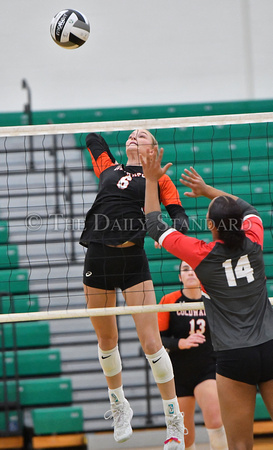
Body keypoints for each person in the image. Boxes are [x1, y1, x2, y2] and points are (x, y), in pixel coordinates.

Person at [141, 149, 273, 450]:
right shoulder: (254, 239)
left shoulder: (201, 254)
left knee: (239, 445)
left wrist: (151, 180)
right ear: (240, 223)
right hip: (270, 344)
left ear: (212, 227)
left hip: (234, 356)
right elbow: (247, 207)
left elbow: (153, 225)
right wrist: (209, 192)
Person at [80, 130, 189, 449]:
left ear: (153, 149)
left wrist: (166, 234)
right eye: (131, 134)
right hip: (97, 255)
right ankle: (119, 405)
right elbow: (92, 137)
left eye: (143, 136)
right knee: (106, 339)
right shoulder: (108, 168)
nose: (134, 135)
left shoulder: (158, 179)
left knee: (152, 342)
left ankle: (173, 420)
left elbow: (179, 216)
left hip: (132, 259)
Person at [158, 260, 228, 450]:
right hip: (178, 372)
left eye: (194, 269)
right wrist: (180, 343)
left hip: (207, 367)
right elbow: (156, 340)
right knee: (185, 435)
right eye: (185, 270)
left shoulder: (213, 300)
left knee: (215, 419)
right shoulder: (169, 300)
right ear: (180, 277)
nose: (190, 273)